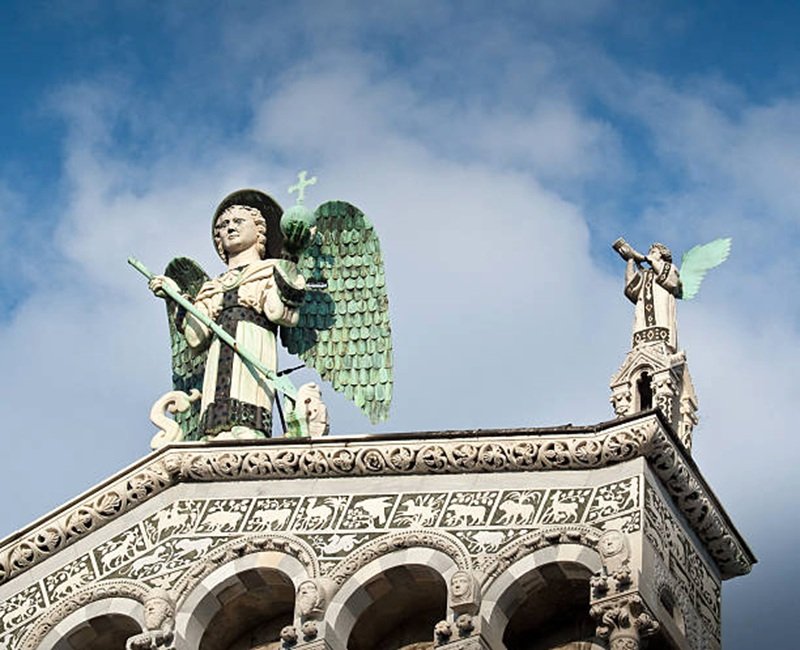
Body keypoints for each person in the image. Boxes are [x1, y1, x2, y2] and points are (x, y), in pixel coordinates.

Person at [150, 189, 308, 439]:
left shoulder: (271, 270)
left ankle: (250, 429)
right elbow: (196, 338)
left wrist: (290, 258)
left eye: (238, 222)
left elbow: (279, 313)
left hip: (253, 340)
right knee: (216, 423)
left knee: (247, 415)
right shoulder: (212, 286)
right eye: (223, 225)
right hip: (218, 352)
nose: (229, 228)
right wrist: (175, 297)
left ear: (260, 230)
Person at [624, 242, 682, 351]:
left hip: (661, 309)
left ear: (661, 254)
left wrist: (649, 259)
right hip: (643, 314)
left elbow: (673, 283)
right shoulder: (646, 274)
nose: (649, 254)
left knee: (661, 322)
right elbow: (631, 289)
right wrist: (630, 260)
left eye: (653, 252)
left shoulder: (669, 268)